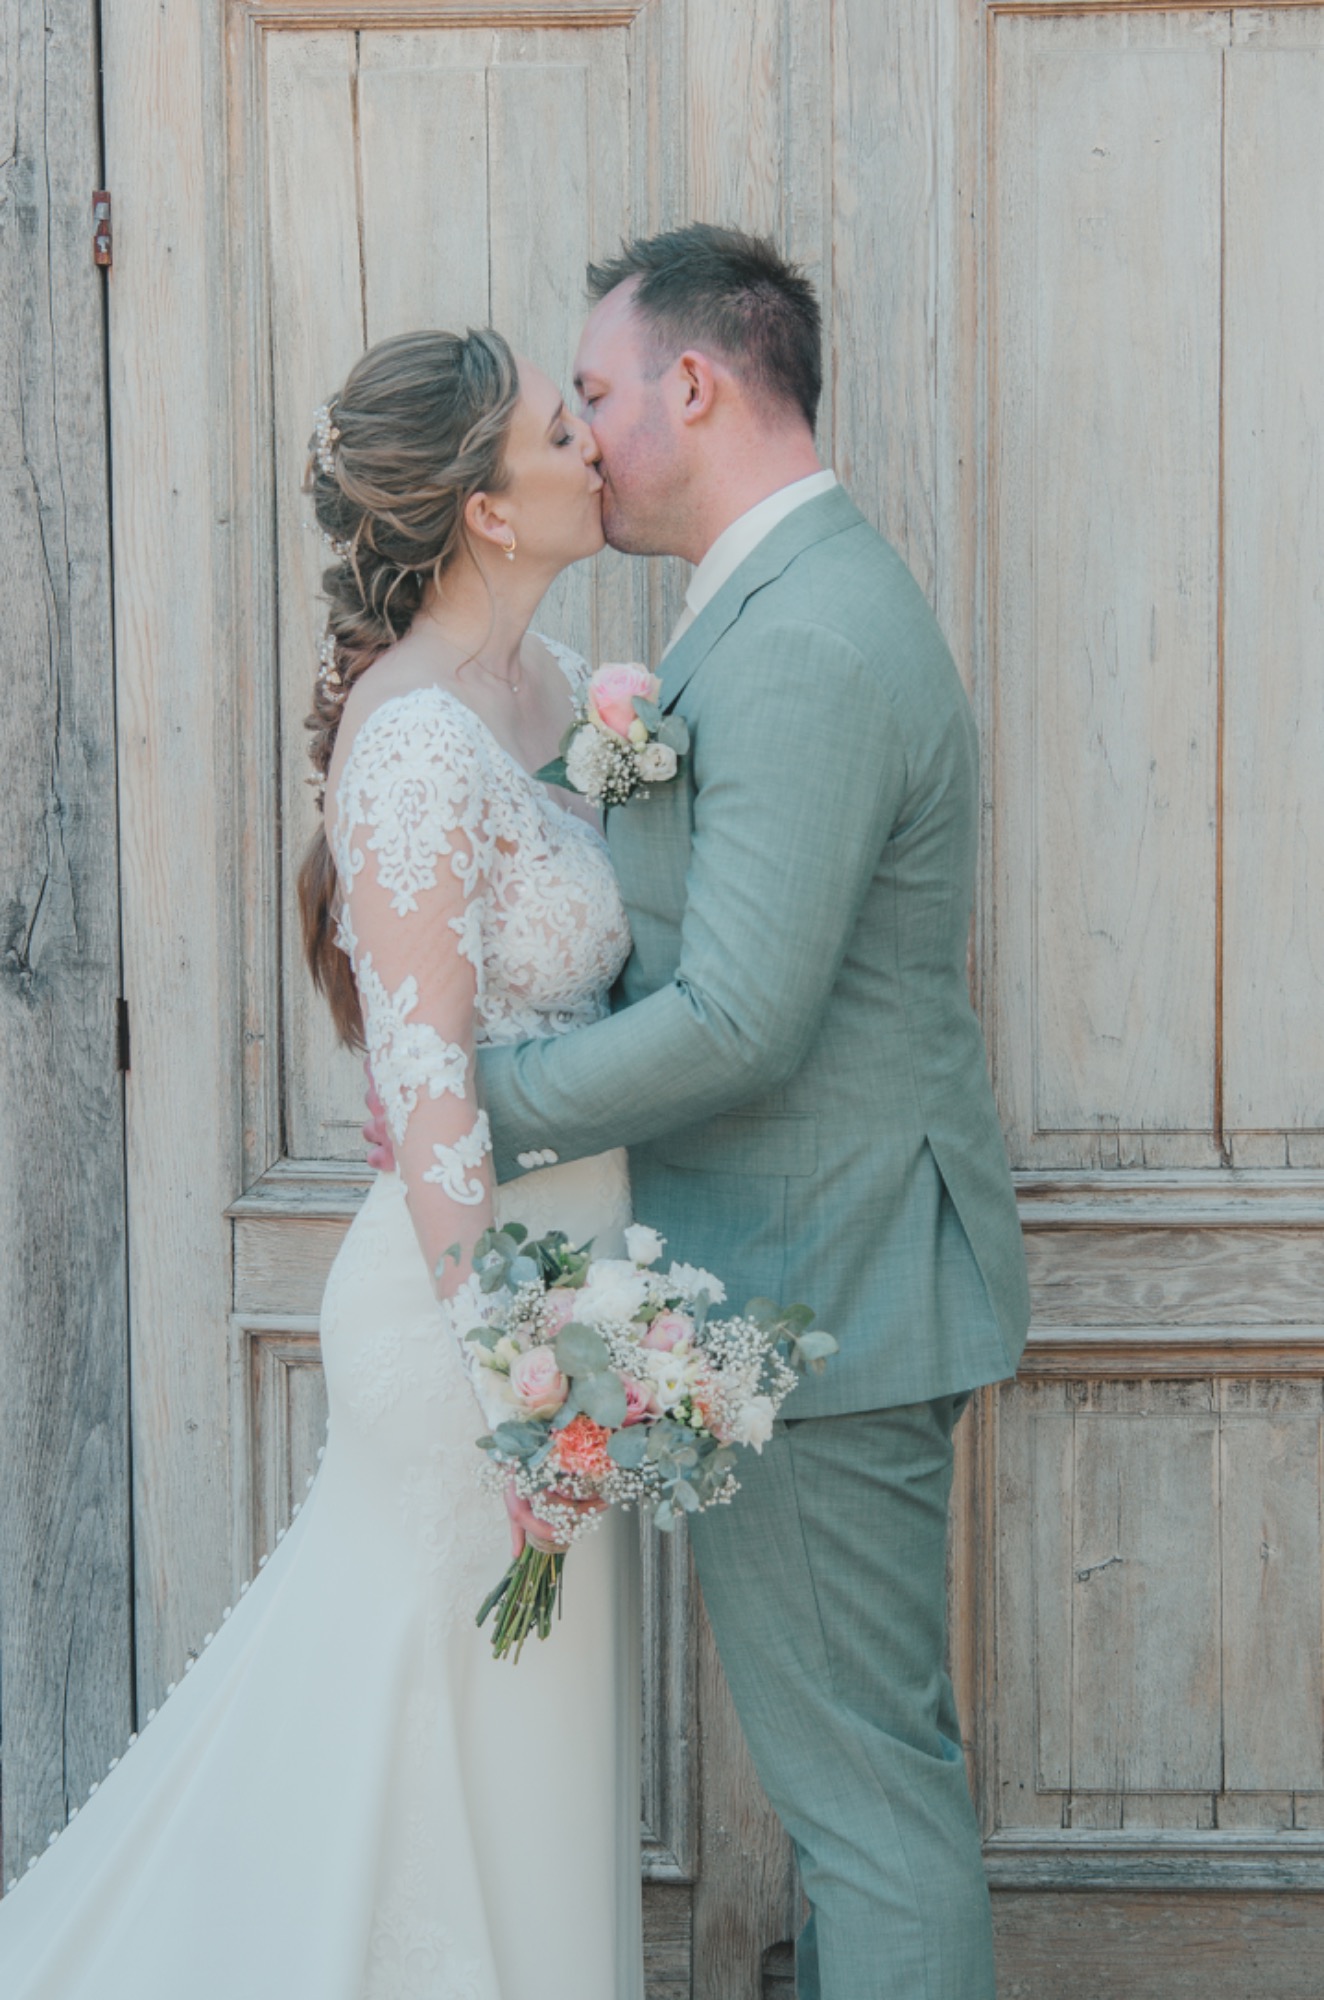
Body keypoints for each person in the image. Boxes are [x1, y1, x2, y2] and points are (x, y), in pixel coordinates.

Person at [367, 224, 1032, 2000]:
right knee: (862, 1795)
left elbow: (739, 1013)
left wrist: (472, 1103)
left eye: (594, 393)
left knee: (868, 1808)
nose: (584, 435)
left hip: (831, 1283)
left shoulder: (803, 632)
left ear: (693, 383)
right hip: (812, 1271)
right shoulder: (762, 608)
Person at [0, 328, 644, 2000]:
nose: (595, 441)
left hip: (577, 1301)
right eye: (558, 429)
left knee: (530, 1763)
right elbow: (426, 1087)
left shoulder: (568, 693)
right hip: (468, 1328)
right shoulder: (416, 739)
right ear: (486, 509)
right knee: (422, 1750)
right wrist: (515, 1377)